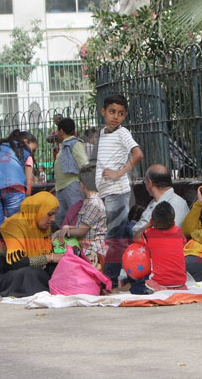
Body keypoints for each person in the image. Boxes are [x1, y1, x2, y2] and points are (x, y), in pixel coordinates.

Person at [95, 94, 144, 288]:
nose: (116, 116)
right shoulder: (102, 133)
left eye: (121, 113)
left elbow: (138, 154)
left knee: (113, 238)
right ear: (103, 112)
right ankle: (132, 273)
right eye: (112, 112)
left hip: (117, 191)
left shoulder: (123, 133)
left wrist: (118, 173)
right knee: (120, 235)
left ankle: (110, 280)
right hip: (106, 192)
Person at [0, 192, 61, 297]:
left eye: (54, 215)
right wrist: (49, 258)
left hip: (26, 273)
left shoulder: (44, 229)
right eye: (50, 214)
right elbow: (15, 263)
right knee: (30, 274)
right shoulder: (12, 228)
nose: (53, 219)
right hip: (0, 280)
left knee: (58, 268)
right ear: (37, 210)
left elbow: (53, 255)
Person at [0, 130, 38, 257]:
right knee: (16, 230)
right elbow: (28, 186)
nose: (32, 152)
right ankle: (16, 263)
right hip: (15, 189)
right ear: (26, 142)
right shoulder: (24, 151)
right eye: (34, 149)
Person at [54, 163, 106, 268]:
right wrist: (68, 227)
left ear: (82, 186)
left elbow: (82, 230)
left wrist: (66, 231)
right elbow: (84, 225)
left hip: (93, 252)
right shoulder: (88, 202)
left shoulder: (93, 203)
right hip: (86, 249)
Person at [133, 202, 187, 293]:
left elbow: (135, 237)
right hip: (180, 284)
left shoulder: (150, 234)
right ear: (173, 221)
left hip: (160, 283)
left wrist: (148, 224)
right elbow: (183, 242)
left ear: (153, 221)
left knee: (135, 287)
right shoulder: (178, 232)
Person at [131, 164, 190, 235]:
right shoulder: (156, 201)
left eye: (145, 182)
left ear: (150, 183)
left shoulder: (175, 205)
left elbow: (167, 236)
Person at [52, 117, 88, 229]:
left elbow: (84, 164)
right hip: (61, 188)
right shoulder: (64, 145)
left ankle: (76, 238)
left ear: (61, 131)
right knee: (60, 219)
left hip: (72, 186)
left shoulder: (75, 143)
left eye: (57, 130)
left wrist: (86, 184)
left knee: (75, 217)